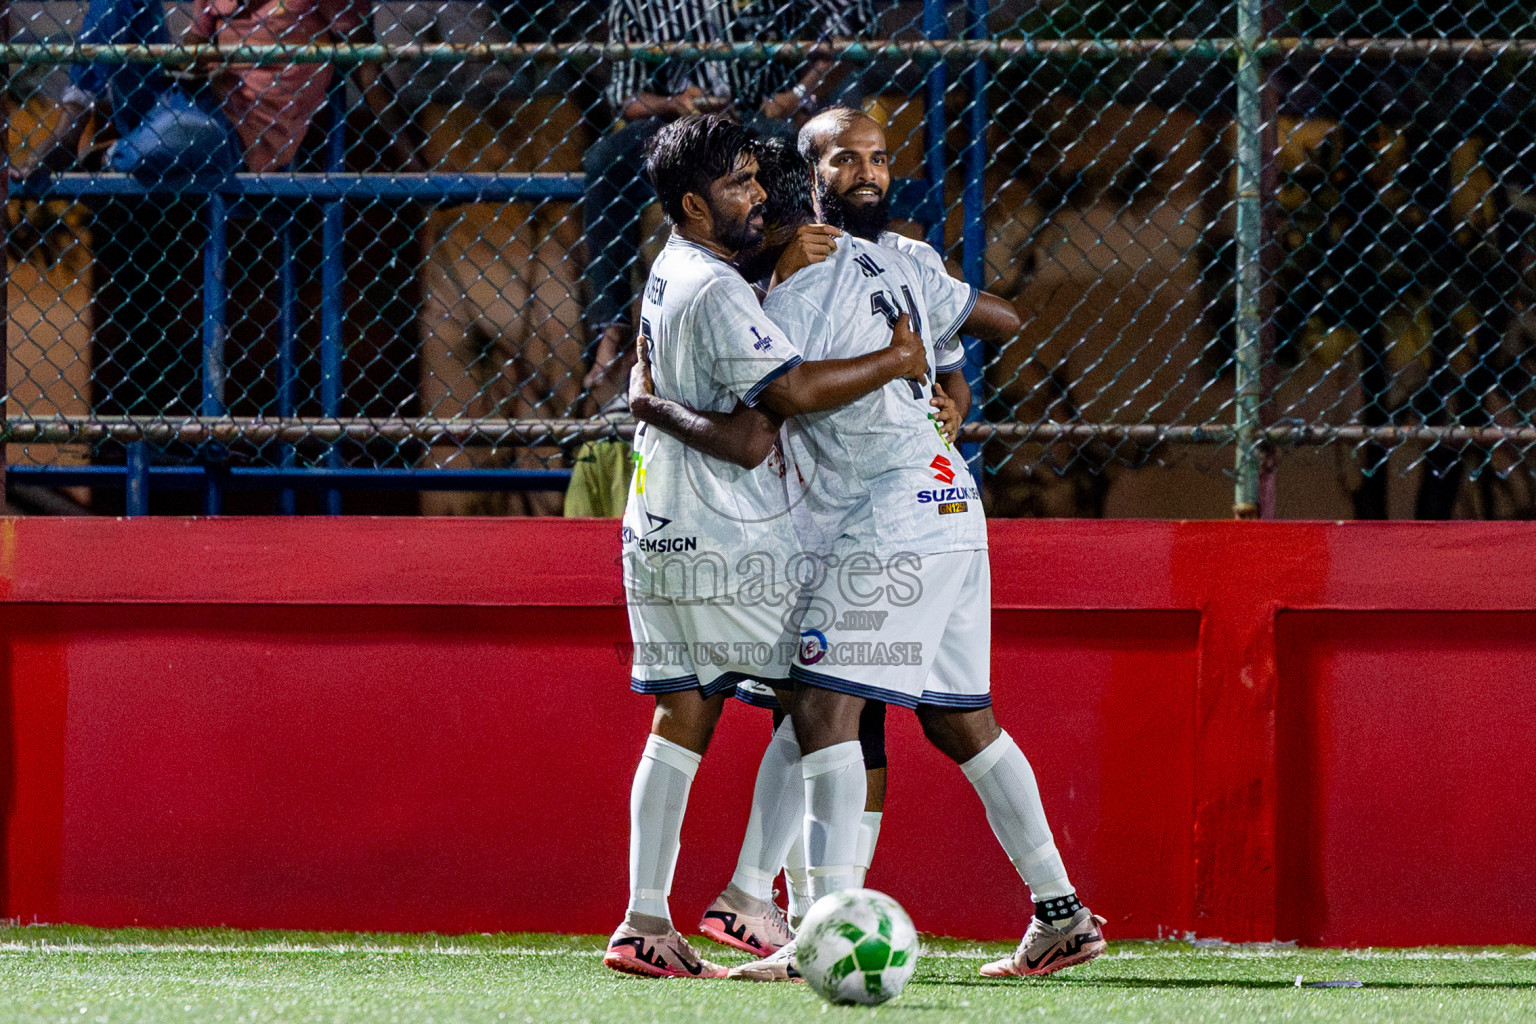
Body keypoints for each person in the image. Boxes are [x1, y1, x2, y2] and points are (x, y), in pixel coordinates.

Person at [629, 109, 1106, 982]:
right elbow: (993, 315)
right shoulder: (904, 259)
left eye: (752, 194)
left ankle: (813, 926)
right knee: (960, 717)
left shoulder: (789, 292)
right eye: (846, 158)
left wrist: (653, 396)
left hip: (884, 520)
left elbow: (779, 403)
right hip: (951, 503)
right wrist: (943, 371)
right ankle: (1061, 913)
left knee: (817, 705)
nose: (747, 213)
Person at [603, 113, 929, 979]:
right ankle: (805, 918)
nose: (756, 197)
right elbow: (764, 425)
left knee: (683, 717)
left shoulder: (673, 268)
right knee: (827, 698)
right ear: (691, 205)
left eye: (757, 180)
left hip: (659, 526)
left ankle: (647, 922)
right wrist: (899, 363)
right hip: (725, 535)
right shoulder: (715, 291)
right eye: (738, 186)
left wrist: (649, 403)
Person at [581, 0, 873, 409]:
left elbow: (845, 27)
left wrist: (797, 92)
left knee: (789, 150)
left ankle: (812, 302)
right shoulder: (635, 6)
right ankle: (609, 332)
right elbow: (624, 98)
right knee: (605, 160)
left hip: (748, 117)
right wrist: (676, 103)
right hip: (675, 127)